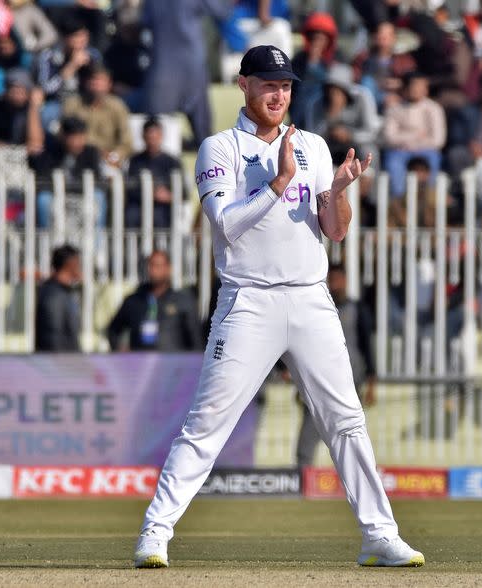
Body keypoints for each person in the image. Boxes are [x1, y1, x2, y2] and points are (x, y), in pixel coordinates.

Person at [134, 45, 424, 569]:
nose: (278, 94)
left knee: (346, 418)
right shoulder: (218, 149)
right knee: (208, 424)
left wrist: (337, 190)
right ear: (243, 85)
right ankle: (155, 533)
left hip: (311, 296)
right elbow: (224, 224)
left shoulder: (312, 145)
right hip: (249, 299)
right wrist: (280, 181)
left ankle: (379, 535)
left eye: (285, 86)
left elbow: (334, 231)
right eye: (268, 84)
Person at [295, 263, 376, 466]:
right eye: (332, 280)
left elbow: (367, 346)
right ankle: (302, 473)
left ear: (346, 281)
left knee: (348, 430)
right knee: (310, 427)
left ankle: (355, 472)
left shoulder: (357, 310)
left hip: (349, 381)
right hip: (318, 380)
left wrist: (372, 382)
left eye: (339, 279)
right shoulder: (317, 308)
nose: (336, 284)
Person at [141, 0, 231, 148]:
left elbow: (144, 22)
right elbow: (223, 11)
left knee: (159, 139)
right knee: (204, 141)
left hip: (163, 68)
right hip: (190, 68)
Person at [106, 250, 203, 351]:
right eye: (151, 265)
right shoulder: (134, 301)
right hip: (140, 363)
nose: (154, 270)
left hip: (173, 363)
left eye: (159, 265)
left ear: (168, 268)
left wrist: (194, 362)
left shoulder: (183, 300)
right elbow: (114, 330)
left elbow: (196, 338)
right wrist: (120, 350)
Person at [27, 115, 106, 228]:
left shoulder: (91, 153)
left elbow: (96, 180)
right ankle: (47, 241)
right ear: (63, 136)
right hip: (55, 195)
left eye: (80, 137)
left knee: (98, 196)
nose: (76, 142)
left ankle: (97, 243)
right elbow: (44, 180)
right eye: (72, 138)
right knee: (43, 200)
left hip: (82, 194)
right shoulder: (50, 153)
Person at [382, 71, 446, 197]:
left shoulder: (434, 109)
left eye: (421, 86)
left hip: (426, 150)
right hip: (400, 151)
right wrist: (416, 135)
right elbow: (389, 138)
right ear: (406, 88)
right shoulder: (394, 108)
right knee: (393, 163)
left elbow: (438, 140)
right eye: (414, 85)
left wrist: (410, 141)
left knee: (434, 160)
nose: (418, 89)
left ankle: (429, 200)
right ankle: (399, 202)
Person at [61, 63, 132, 171]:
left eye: (100, 81)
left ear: (109, 84)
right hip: (77, 158)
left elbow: (126, 143)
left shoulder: (117, 106)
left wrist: (113, 157)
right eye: (93, 80)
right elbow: (62, 135)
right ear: (86, 82)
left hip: (107, 161)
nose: (96, 84)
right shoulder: (72, 105)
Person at [125, 117, 184, 228]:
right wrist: (151, 193)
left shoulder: (172, 162)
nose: (152, 141)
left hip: (163, 208)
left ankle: (160, 246)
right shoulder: (135, 161)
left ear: (161, 136)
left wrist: (168, 196)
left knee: (161, 218)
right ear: (143, 137)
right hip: (139, 205)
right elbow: (130, 188)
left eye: (155, 137)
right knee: (131, 215)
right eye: (149, 138)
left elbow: (183, 192)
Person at [34, 243, 81, 352]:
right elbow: (53, 335)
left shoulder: (65, 292)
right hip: (59, 363)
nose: (80, 267)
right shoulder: (53, 294)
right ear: (71, 264)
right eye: (78, 263)